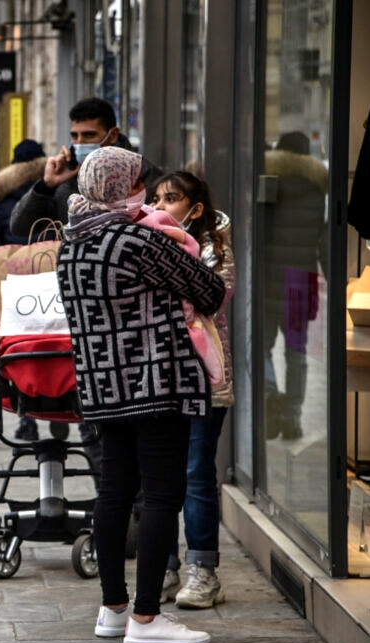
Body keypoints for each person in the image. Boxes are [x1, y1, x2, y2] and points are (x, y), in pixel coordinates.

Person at [55, 146, 224, 643]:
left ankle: (113, 608)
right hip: (155, 382)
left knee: (114, 493)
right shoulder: (137, 239)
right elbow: (210, 289)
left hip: (103, 385)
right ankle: (147, 618)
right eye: (138, 184)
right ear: (124, 188)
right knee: (161, 496)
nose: (145, 193)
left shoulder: (73, 242)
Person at [148, 171, 236, 609]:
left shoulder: (214, 246)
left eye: (172, 199)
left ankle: (204, 571)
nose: (162, 206)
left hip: (204, 378)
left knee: (197, 472)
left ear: (195, 208)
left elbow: (211, 296)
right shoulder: (148, 240)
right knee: (160, 475)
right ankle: (163, 568)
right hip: (160, 376)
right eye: (157, 199)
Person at [9, 96, 162, 243]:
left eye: (89, 135)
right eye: (75, 136)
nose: (80, 142)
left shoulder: (143, 174)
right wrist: (46, 186)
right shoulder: (68, 177)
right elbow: (19, 227)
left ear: (113, 135)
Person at [262, 131, 327, 440]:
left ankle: (270, 399)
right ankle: (293, 417)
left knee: (260, 349)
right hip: (301, 279)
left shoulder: (267, 181)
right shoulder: (318, 187)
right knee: (297, 354)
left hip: (265, 278)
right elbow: (325, 238)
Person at [0, 138, 47, 442]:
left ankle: (27, 416)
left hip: (16, 280)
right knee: (56, 344)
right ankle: (61, 403)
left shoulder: (2, 192)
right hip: (51, 275)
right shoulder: (50, 186)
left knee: (21, 349)